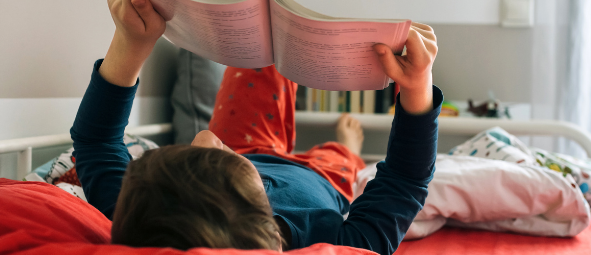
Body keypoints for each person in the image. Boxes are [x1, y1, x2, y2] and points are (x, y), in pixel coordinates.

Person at [70, 0, 440, 254]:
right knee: (342, 157)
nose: (206, 135)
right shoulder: (333, 240)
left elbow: (96, 141)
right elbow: (405, 181)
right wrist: (416, 86)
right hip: (325, 177)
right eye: (208, 156)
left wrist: (132, 40)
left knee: (263, 52)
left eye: (186, 153)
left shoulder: (143, 213)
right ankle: (348, 146)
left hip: (248, 146)